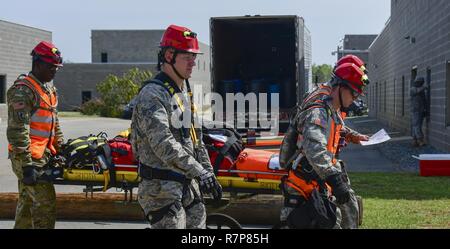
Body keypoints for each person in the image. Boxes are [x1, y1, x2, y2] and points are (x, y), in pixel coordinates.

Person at [130, 25, 222, 229]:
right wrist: (200, 172)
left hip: (187, 186)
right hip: (161, 190)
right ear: (169, 55)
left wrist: (208, 173)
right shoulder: (152, 95)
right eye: (187, 56)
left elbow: (196, 141)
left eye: (194, 56)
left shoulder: (181, 94)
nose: (193, 62)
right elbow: (163, 143)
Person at [279, 62, 370, 229]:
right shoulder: (318, 109)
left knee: (348, 211)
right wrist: (335, 180)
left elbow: (334, 124)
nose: (354, 100)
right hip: (306, 183)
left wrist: (353, 136)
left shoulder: (329, 101)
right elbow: (315, 148)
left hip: (318, 177)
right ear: (340, 87)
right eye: (354, 94)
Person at [6, 41, 64, 229]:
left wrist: (61, 148)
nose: (54, 71)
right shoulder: (23, 91)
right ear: (37, 64)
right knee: (44, 206)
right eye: (50, 67)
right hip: (28, 157)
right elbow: (17, 130)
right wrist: (27, 165)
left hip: (42, 155)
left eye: (56, 67)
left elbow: (54, 124)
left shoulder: (48, 90)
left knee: (27, 205)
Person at [410, 77, 428, 147]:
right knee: (416, 125)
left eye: (422, 82)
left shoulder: (421, 90)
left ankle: (414, 140)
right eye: (420, 82)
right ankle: (420, 140)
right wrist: (424, 87)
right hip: (415, 110)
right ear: (417, 82)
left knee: (417, 125)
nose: (421, 84)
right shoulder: (413, 88)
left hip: (421, 110)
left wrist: (425, 109)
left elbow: (424, 100)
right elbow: (416, 92)